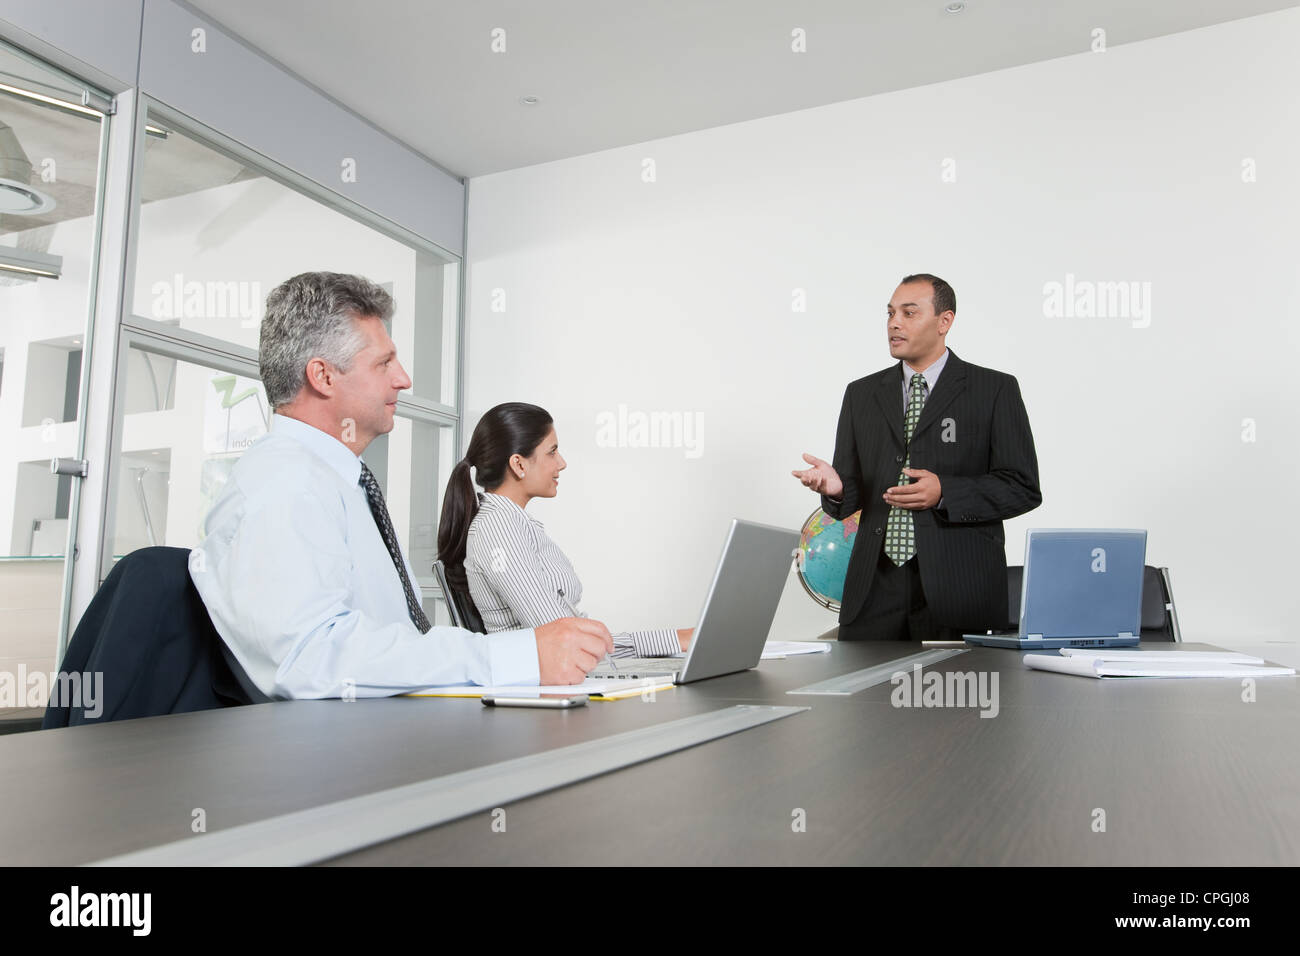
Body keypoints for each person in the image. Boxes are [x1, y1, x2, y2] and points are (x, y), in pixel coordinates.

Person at [190, 272, 612, 699]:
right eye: (383, 363)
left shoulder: (339, 483)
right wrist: (508, 658)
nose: (403, 379)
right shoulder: (283, 484)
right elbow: (309, 657)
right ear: (323, 377)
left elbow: (393, 640)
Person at [792, 273, 1041, 640]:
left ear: (945, 321)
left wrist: (945, 493)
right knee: (863, 698)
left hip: (959, 590)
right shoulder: (861, 394)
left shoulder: (994, 390)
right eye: (890, 313)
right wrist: (835, 489)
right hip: (873, 591)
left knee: (956, 698)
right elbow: (851, 497)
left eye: (909, 313)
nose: (894, 323)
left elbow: (1022, 487)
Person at [437, 402, 693, 657]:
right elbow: (566, 643)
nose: (562, 463)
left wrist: (675, 640)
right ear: (519, 464)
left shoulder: (513, 524)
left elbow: (570, 637)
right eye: (552, 452)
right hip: (541, 685)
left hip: (562, 678)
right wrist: (674, 640)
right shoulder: (498, 530)